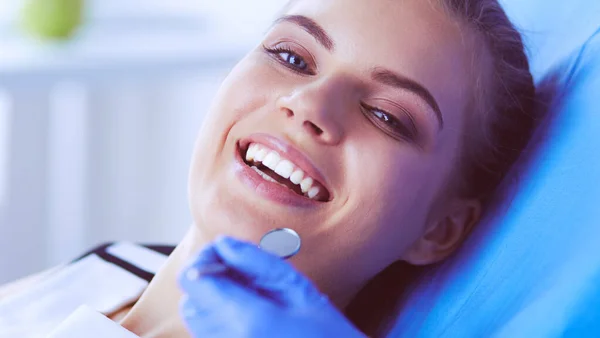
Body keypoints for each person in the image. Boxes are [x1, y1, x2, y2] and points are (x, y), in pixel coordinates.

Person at [0, 0, 537, 337]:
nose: (309, 104)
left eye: (386, 115)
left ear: (439, 227)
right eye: (292, 57)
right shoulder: (110, 266)